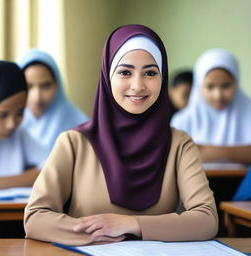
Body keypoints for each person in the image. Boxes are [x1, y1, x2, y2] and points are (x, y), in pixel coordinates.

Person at [24, 24, 218, 246]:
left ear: (162, 78)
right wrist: (99, 233)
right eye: (125, 72)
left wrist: (132, 224)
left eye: (150, 73)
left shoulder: (179, 144)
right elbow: (35, 218)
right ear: (108, 76)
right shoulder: (74, 143)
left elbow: (207, 219)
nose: (137, 86)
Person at [171, 49, 251, 165]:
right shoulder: (182, 120)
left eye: (225, 85)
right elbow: (173, 157)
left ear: (236, 83)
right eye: (210, 86)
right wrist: (240, 153)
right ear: (199, 86)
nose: (218, 95)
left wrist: (206, 151)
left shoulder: (250, 113)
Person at [18, 49, 88, 154]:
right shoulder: (8, 121)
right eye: (28, 86)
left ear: (57, 84)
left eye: (45, 86)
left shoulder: (79, 125)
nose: (37, 97)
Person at [0, 61, 46, 189]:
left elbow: (51, 168)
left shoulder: (19, 134)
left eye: (20, 113)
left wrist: (0, 183)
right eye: (2, 115)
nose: (12, 125)